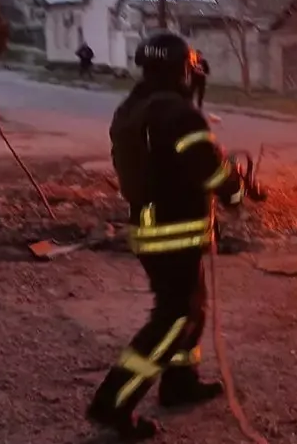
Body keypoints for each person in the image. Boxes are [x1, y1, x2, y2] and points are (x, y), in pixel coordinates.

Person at [86, 31, 258, 441]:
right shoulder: (179, 114)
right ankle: (113, 403)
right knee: (175, 317)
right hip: (173, 230)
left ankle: (181, 382)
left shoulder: (133, 109)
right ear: (183, 68)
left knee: (191, 307)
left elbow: (167, 164)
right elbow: (212, 169)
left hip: (150, 226)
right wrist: (235, 190)